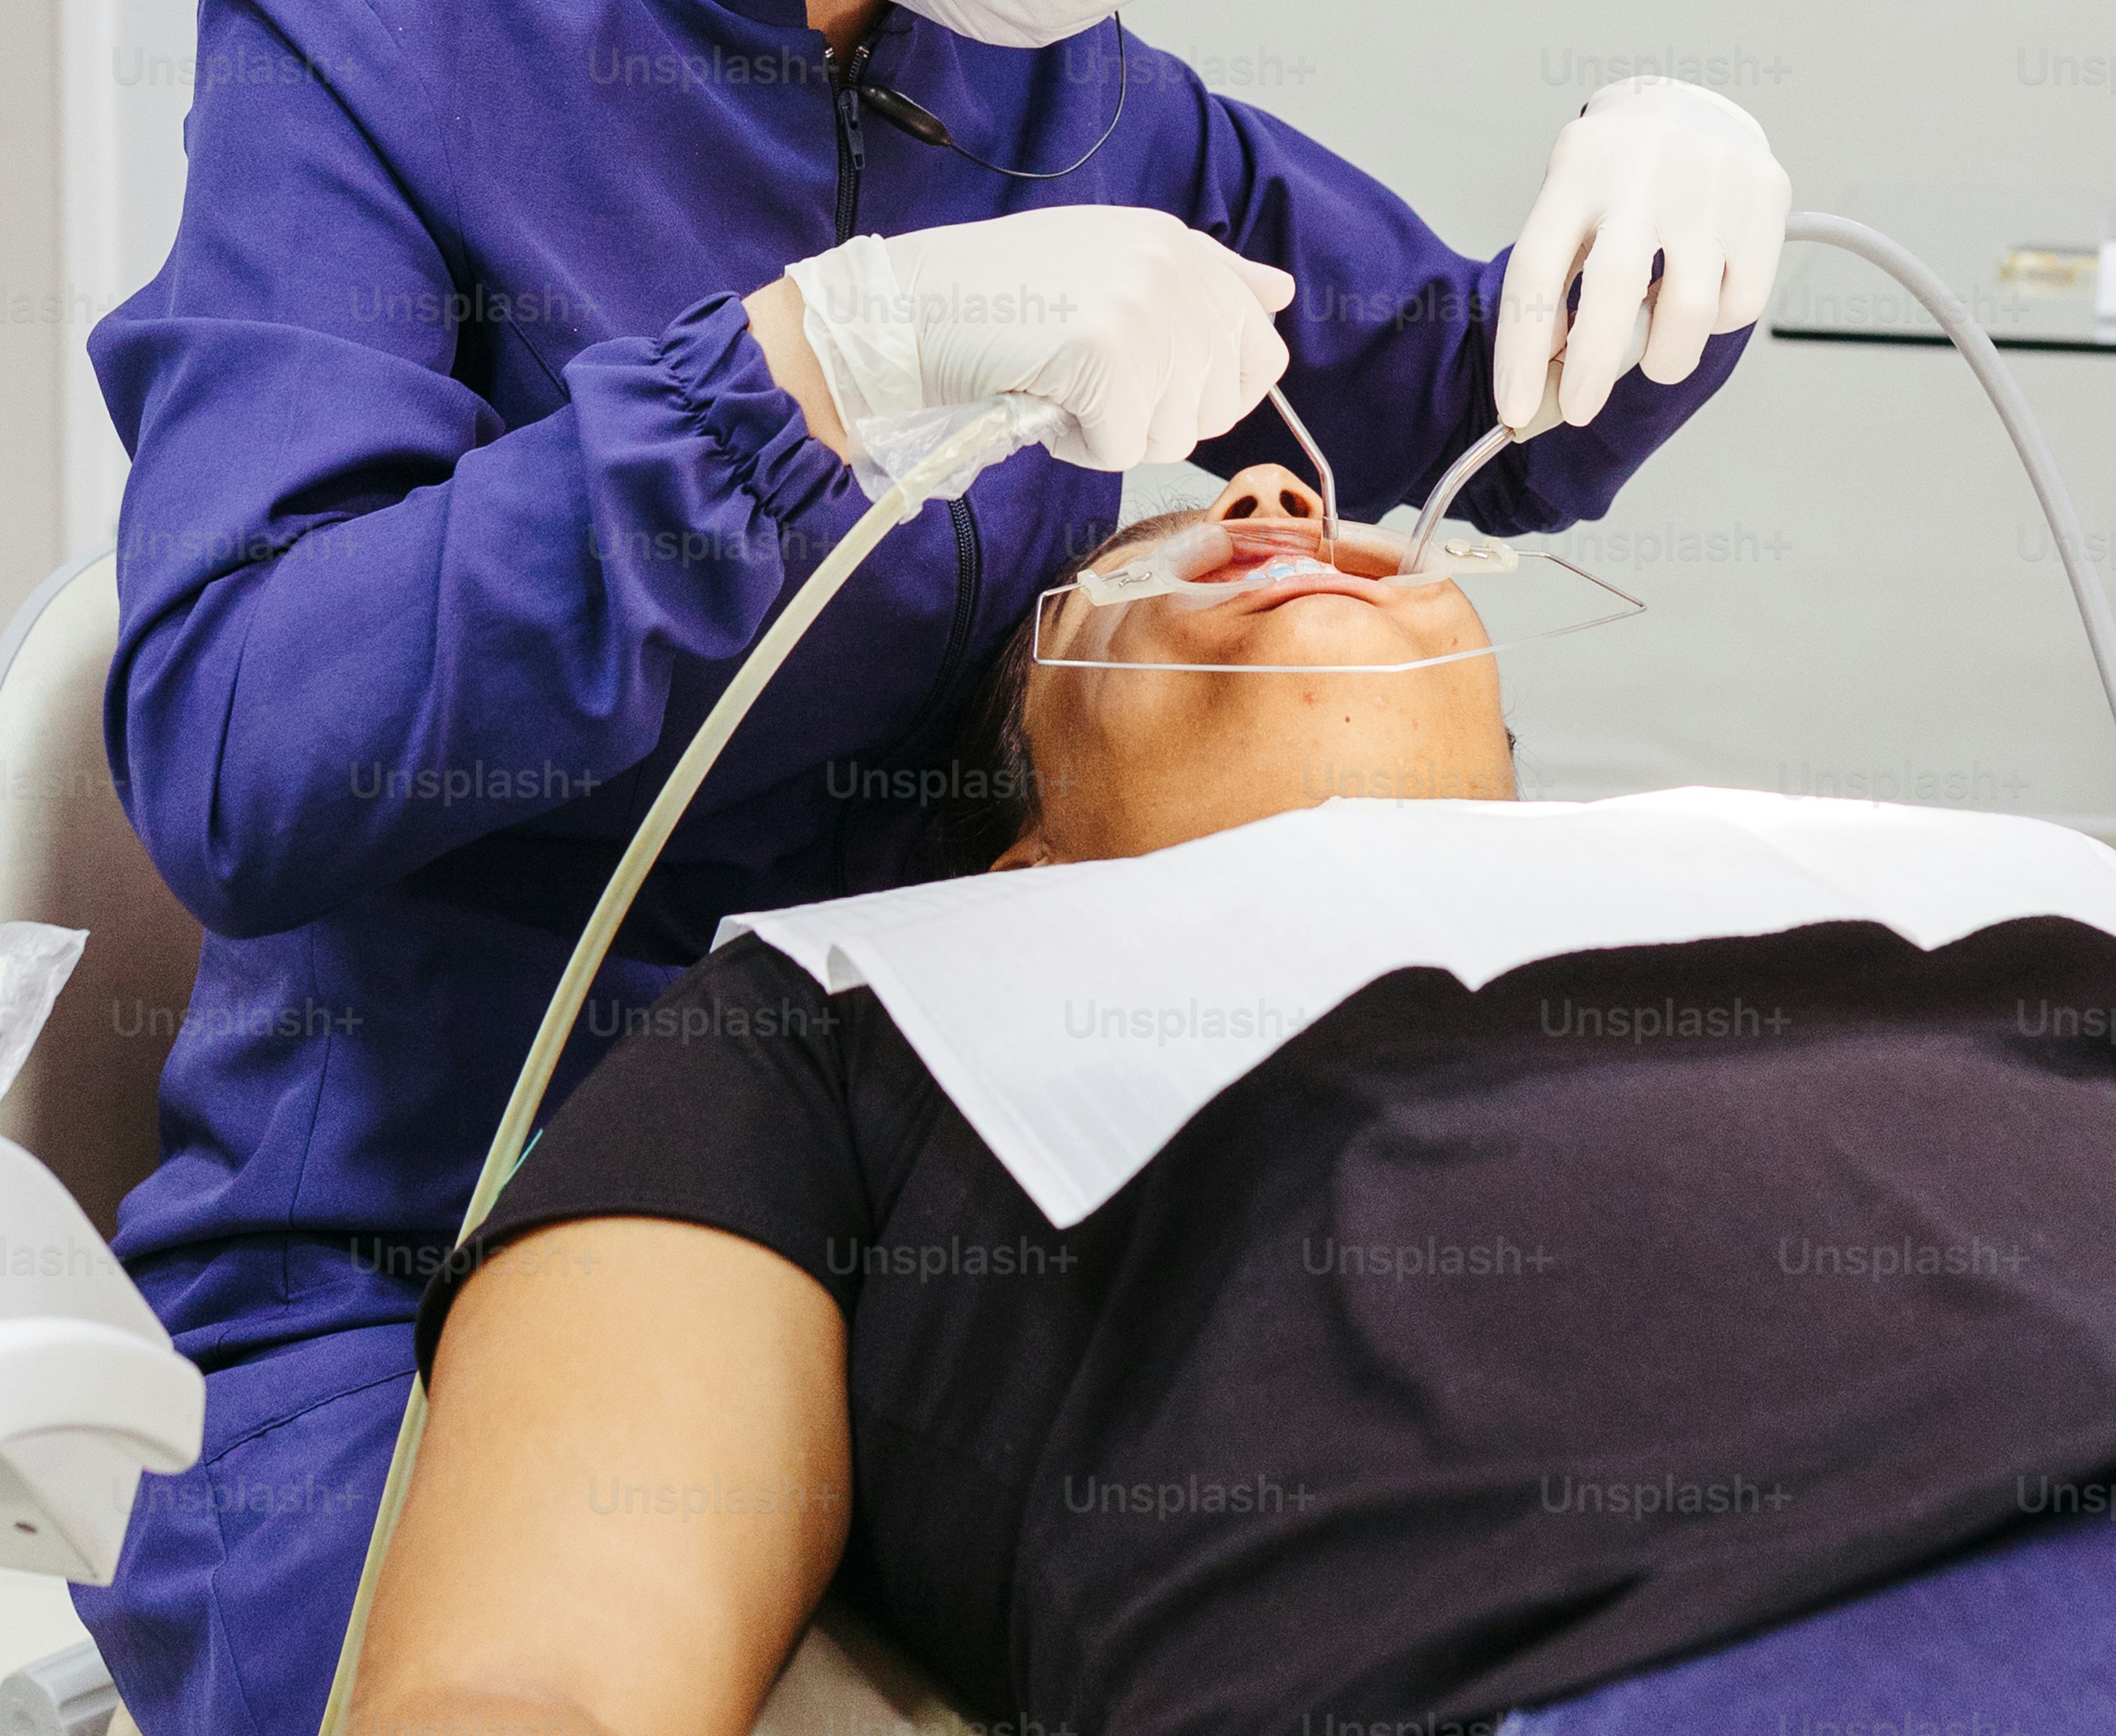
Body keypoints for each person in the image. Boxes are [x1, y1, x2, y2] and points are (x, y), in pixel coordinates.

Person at [79, 0, 1790, 1730]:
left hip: (960, 1195)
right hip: (438, 1216)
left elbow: (1447, 405)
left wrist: (1664, 221)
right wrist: (800, 373)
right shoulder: (376, 32)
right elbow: (244, 747)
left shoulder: (1067, 82)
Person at [355, 471, 2116, 1736]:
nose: (1279, 493)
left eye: (1325, 500)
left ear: (1512, 769)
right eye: (1152, 544)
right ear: (1022, 838)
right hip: (1695, 1649)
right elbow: (539, 1680)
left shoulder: (1925, 858)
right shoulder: (850, 997)